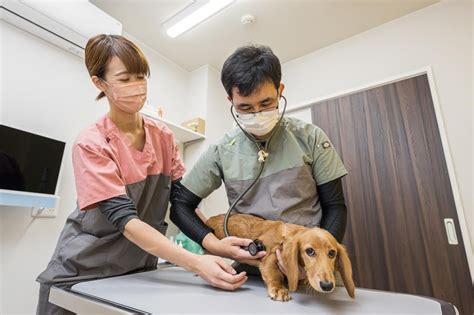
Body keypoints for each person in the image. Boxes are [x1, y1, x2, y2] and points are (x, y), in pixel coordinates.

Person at [36, 35, 247, 315]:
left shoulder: (164, 137)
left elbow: (181, 204)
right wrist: (196, 262)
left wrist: (214, 242)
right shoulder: (92, 143)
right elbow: (127, 221)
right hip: (82, 273)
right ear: (100, 83)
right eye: (124, 79)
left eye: (140, 77)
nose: (136, 86)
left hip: (136, 272)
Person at [170, 45, 348, 276]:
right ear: (230, 100)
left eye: (265, 104)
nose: (257, 114)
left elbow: (335, 206)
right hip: (252, 271)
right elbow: (180, 206)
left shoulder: (310, 137)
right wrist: (213, 244)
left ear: (279, 89)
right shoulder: (222, 151)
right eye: (245, 107)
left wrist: (316, 261)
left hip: (309, 269)